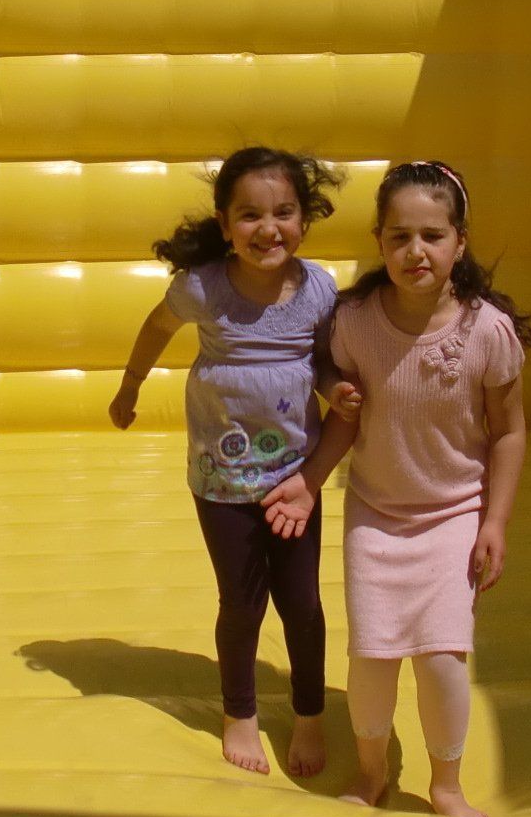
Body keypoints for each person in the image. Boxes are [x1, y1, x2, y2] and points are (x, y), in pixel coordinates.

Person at [264, 160, 531, 817]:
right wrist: (309, 481)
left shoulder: (486, 331)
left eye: (432, 236)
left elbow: (508, 433)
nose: (416, 251)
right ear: (380, 242)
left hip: (453, 514)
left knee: (443, 659)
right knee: (372, 657)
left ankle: (446, 784)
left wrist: (495, 522)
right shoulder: (358, 322)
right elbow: (345, 415)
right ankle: (370, 773)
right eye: (399, 237)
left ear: (459, 243)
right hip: (378, 517)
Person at [110, 147, 359, 777]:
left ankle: (309, 713)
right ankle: (240, 712)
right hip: (221, 480)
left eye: (283, 213)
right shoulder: (204, 288)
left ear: (304, 220)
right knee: (242, 603)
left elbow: (321, 361)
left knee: (301, 602)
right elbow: (156, 327)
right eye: (250, 215)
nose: (267, 229)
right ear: (225, 225)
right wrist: (130, 386)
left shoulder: (318, 290)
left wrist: (334, 389)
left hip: (293, 479)